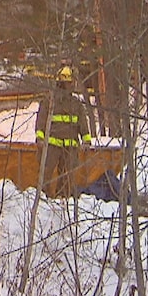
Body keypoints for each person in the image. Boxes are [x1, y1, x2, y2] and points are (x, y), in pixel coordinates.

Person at [35, 65, 93, 198]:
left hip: (70, 147)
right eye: (69, 83)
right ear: (61, 83)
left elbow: (83, 125)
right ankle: (43, 199)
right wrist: (40, 138)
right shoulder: (49, 101)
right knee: (46, 173)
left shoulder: (76, 104)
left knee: (67, 176)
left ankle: (63, 199)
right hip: (51, 146)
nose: (72, 85)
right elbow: (41, 121)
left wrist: (86, 140)